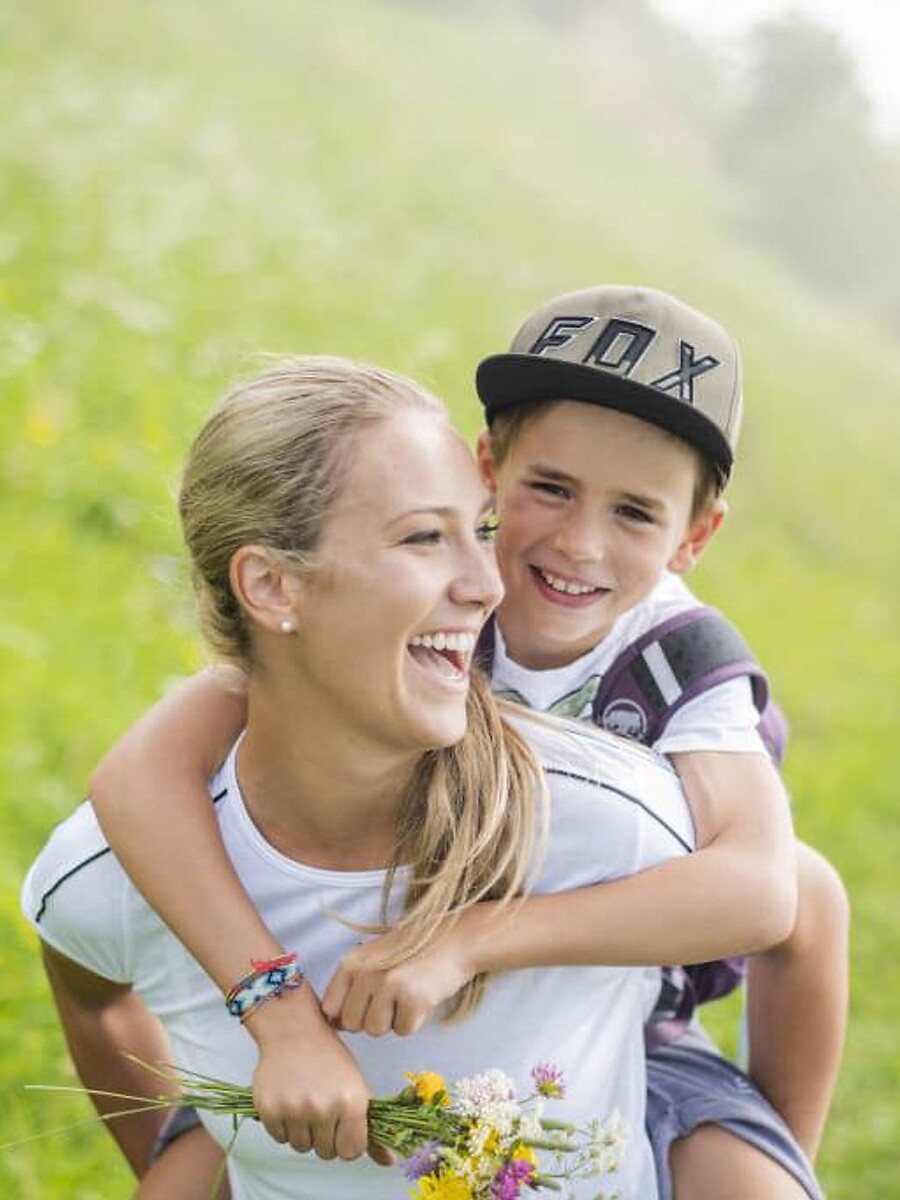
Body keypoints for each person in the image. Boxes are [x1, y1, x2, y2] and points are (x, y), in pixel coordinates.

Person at [87, 289, 845, 1200]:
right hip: (354, 987)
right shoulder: (419, 599)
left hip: (619, 1019)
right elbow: (137, 774)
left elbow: (773, 892)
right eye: (550, 488)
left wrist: (472, 940)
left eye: (635, 513)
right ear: (488, 466)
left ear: (696, 536)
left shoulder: (683, 661)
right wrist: (277, 1014)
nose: (579, 544)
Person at [22, 355, 701, 1200]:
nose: (488, 584)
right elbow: (90, 993)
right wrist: (189, 1165)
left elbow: (796, 902)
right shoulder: (124, 868)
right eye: (424, 537)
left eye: (482, 530)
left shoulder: (604, 818)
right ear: (273, 586)